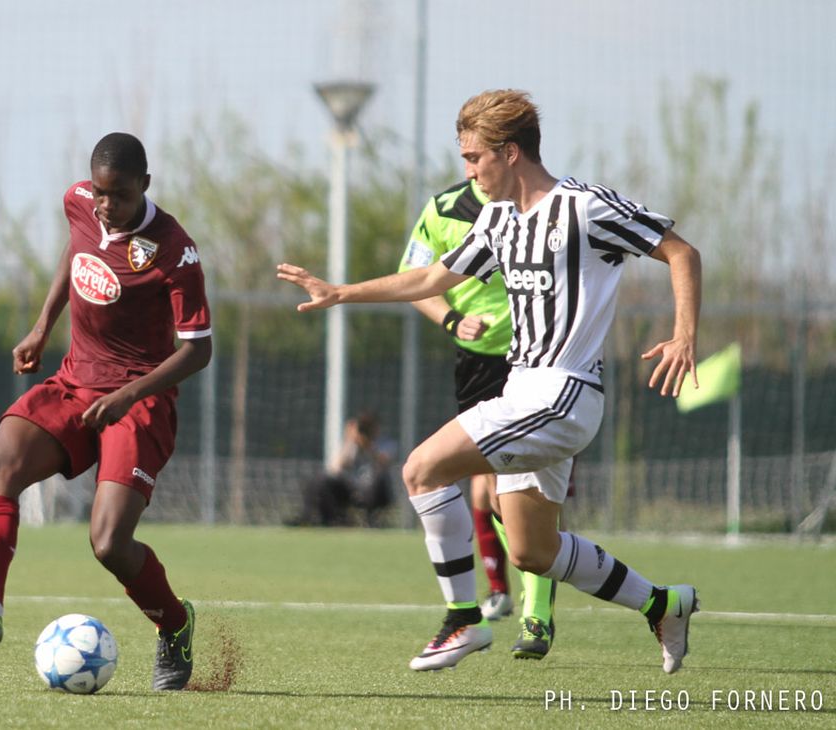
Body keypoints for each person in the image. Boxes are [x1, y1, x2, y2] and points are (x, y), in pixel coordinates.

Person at [278, 89, 702, 674]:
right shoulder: (500, 219)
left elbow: (682, 253)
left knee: (420, 468)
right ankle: (663, 604)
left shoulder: (585, 207)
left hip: (563, 392)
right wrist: (341, 292)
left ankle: (463, 621)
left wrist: (683, 337)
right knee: (533, 550)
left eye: (474, 158)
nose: (468, 171)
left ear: (509, 153)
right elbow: (429, 277)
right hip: (522, 391)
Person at [0, 132, 212, 692]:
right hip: (75, 381)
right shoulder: (79, 203)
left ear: (145, 185)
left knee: (108, 543)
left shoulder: (175, 250)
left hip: (138, 401)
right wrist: (44, 323)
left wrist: (126, 396)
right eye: (99, 192)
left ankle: (175, 623)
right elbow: (75, 251)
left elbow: (199, 349)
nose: (104, 205)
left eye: (118, 195)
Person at [400, 179, 561, 660]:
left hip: (534, 360)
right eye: (467, 151)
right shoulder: (443, 208)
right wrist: (452, 320)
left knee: (512, 491)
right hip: (477, 362)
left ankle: (535, 611)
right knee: (486, 492)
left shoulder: (543, 203)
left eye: (479, 150)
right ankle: (495, 599)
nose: (473, 161)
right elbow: (414, 278)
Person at [291, 411, 394, 527]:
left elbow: (384, 463)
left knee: (379, 479)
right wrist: (350, 441)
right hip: (351, 487)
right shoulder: (353, 445)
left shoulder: (385, 443)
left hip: (372, 488)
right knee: (320, 480)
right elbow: (335, 468)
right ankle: (312, 518)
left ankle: (360, 520)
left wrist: (368, 446)